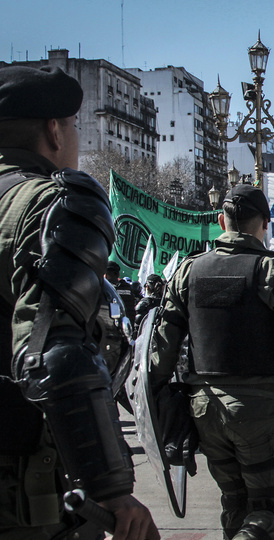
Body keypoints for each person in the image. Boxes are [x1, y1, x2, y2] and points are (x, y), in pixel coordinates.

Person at [0, 65, 159, 540]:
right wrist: (110, 488)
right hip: (23, 488)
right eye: (73, 127)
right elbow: (53, 352)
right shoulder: (51, 202)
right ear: (54, 130)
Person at [150, 184, 274, 540]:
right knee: (273, 514)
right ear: (266, 223)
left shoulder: (187, 271)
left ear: (221, 221)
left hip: (205, 412)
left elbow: (161, 348)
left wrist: (159, 410)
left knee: (236, 504)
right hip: (260, 411)